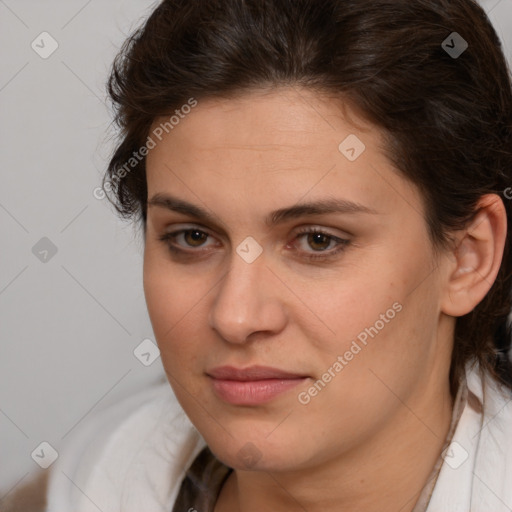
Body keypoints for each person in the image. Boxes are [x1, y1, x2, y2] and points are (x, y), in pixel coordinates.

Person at [42, 0, 512, 511]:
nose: (235, 317)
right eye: (193, 237)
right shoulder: (107, 472)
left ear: (468, 257)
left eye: (317, 240)